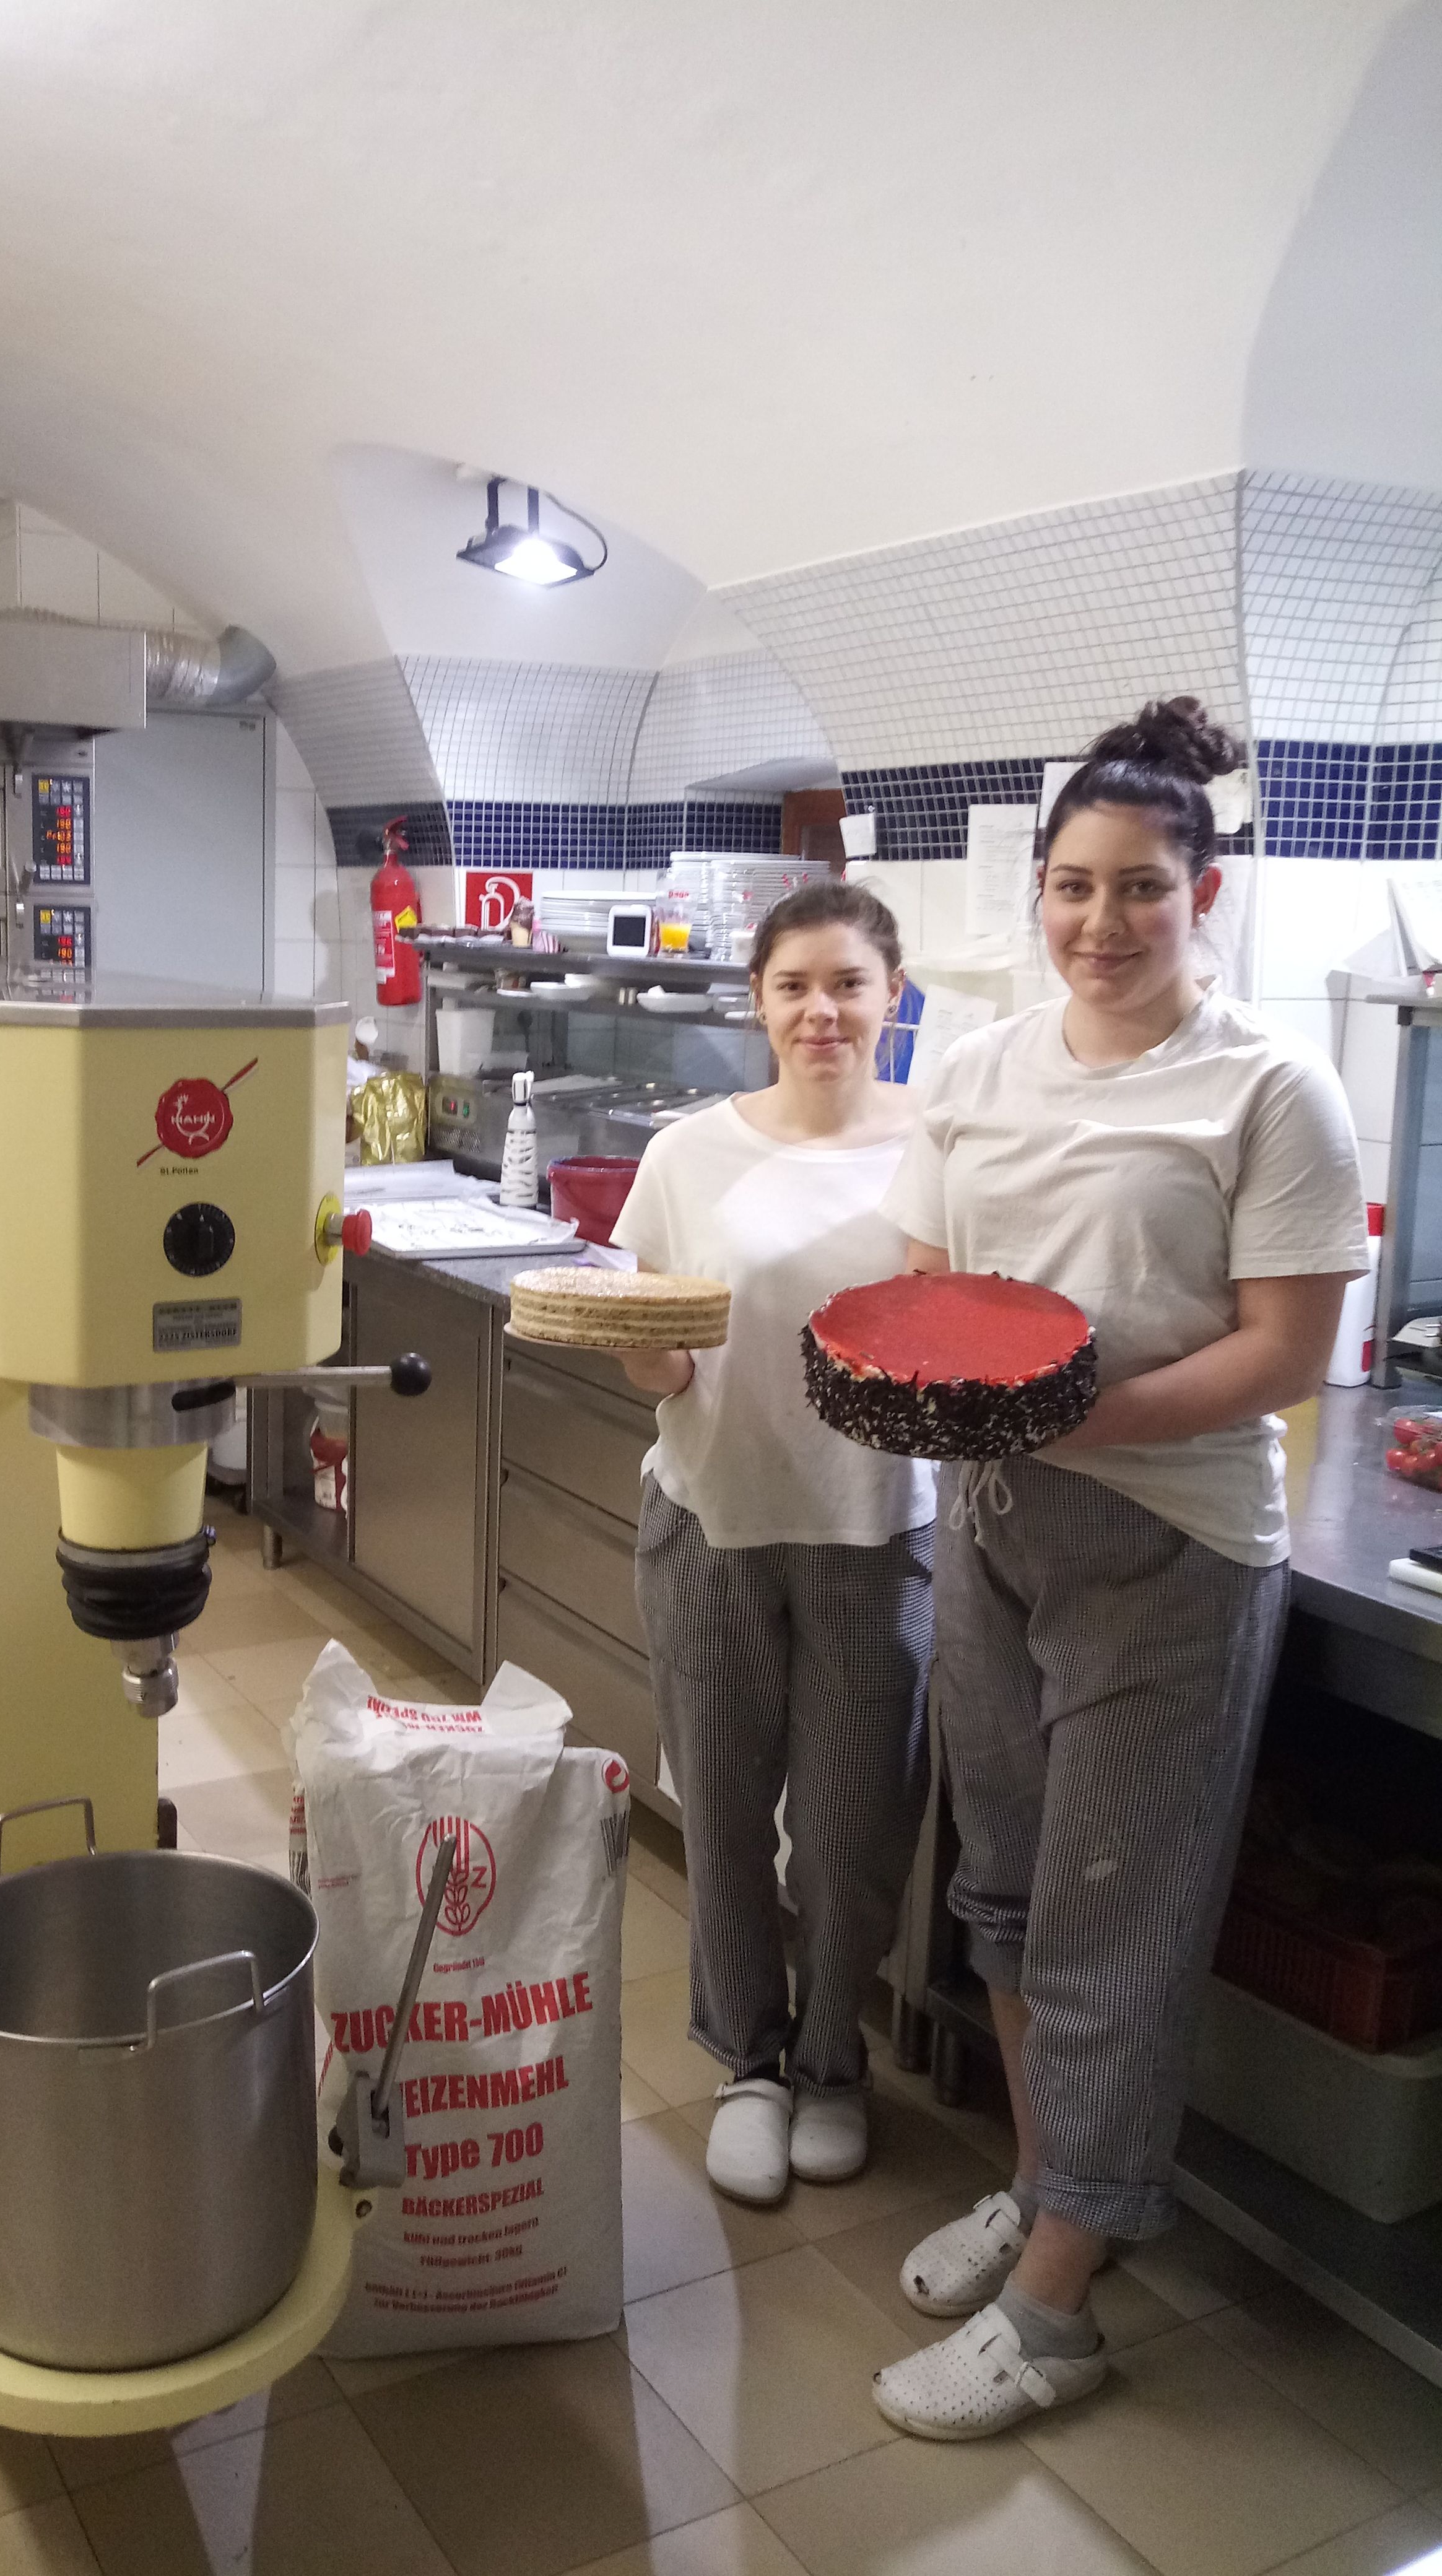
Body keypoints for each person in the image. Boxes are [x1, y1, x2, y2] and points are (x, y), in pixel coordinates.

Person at [871, 698, 1367, 2439]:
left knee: (1111, 1920)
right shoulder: (978, 1070)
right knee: (1004, 1896)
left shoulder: (1267, 1090)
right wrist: (933, 1403)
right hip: (998, 1529)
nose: (1100, 922)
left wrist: (1076, 1427)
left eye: (1140, 890)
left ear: (1202, 894)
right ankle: (1049, 2182)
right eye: (1075, 888)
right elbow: (933, 1292)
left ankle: (1063, 2304)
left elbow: (1286, 1356)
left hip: (1168, 1548)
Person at [610, 881, 936, 2201]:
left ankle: (832, 2062)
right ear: (757, 1000)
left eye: (848, 983)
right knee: (730, 1815)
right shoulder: (689, 1153)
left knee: (858, 1829)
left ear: (893, 995)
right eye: (795, 984)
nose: (822, 1010)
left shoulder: (946, 1144)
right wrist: (643, 1343)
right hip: (715, 1520)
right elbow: (656, 1357)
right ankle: (748, 2061)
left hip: (880, 1527)